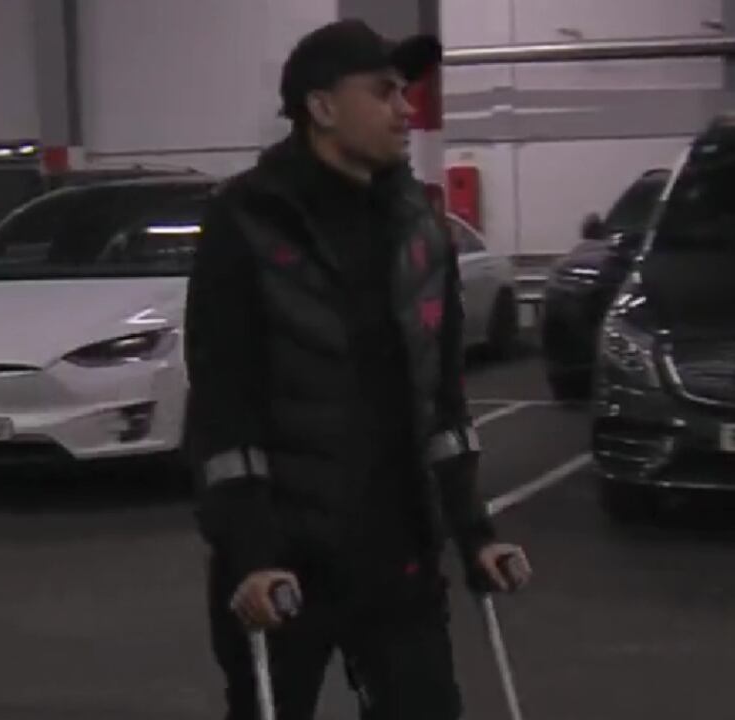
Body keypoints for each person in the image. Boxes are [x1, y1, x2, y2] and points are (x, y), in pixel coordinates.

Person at [184, 18, 531, 720]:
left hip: (398, 557)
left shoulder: (420, 229)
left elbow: (443, 405)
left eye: (405, 93)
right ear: (321, 108)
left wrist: (475, 533)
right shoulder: (246, 221)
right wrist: (252, 550)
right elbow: (225, 406)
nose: (406, 110)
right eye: (383, 93)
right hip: (287, 565)